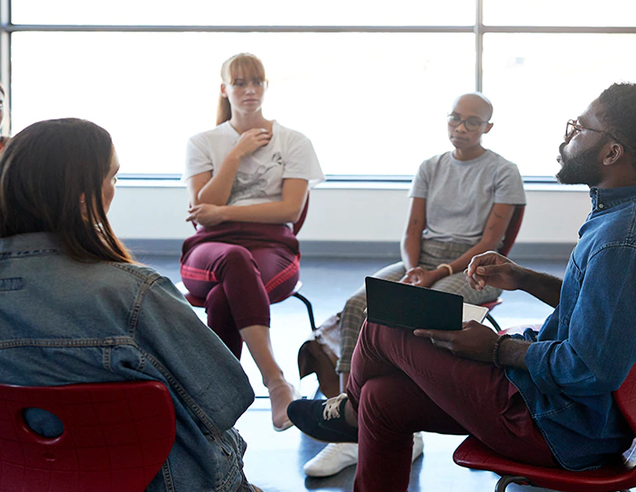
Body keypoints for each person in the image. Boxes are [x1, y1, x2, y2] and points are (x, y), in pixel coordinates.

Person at [287, 82, 636, 492]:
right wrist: (524, 279)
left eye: (581, 128)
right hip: (570, 411)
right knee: (380, 400)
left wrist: (496, 349)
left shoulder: (622, 244)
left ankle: (346, 415)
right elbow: (608, 315)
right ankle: (357, 410)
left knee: (381, 324)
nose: (569, 136)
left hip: (557, 425)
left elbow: (591, 368)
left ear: (613, 153)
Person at [0, 118, 260, 492]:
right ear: (83, 193)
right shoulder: (133, 294)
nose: (113, 189)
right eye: (113, 178)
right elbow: (227, 398)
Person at [300, 92, 527, 478]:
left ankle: (407, 426)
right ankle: (347, 423)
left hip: (475, 266)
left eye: (472, 121)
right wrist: (412, 271)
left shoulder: (503, 171)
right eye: (455, 118)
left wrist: (434, 274)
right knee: (360, 303)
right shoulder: (430, 165)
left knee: (422, 309)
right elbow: (411, 232)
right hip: (422, 259)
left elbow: (491, 243)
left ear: (488, 127)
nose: (461, 126)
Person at [181, 53, 325, 432]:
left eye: (256, 82)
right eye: (240, 83)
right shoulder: (202, 142)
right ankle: (276, 381)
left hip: (272, 247)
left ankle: (216, 405)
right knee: (233, 259)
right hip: (208, 248)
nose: (249, 90)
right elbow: (201, 209)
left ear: (265, 87)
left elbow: (289, 210)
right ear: (224, 89)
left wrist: (225, 213)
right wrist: (236, 154)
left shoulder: (293, 141)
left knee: (223, 296)